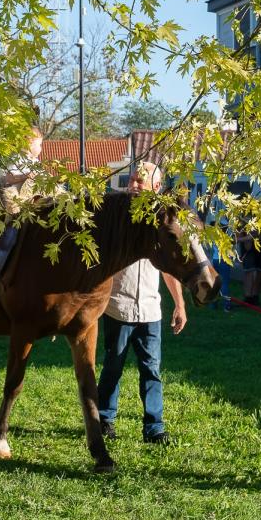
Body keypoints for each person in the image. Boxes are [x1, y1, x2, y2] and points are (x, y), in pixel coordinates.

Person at [97, 162, 188, 444]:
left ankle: (154, 427)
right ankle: (104, 419)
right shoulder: (117, 218)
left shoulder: (162, 223)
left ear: (156, 187)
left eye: (140, 181)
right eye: (132, 180)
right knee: (113, 365)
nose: (134, 185)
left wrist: (180, 304)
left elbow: (167, 268)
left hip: (150, 309)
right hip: (118, 306)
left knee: (152, 369)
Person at [0, 124, 45, 216]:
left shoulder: (36, 162)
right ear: (29, 143)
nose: (41, 148)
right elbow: (9, 178)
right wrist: (25, 176)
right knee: (12, 199)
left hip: (31, 193)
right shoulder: (17, 158)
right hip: (17, 191)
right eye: (39, 145)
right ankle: (12, 220)